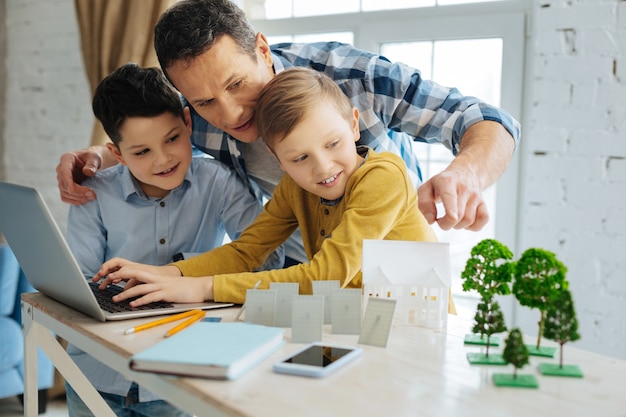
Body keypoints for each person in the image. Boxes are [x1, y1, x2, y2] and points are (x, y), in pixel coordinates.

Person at [56, 0, 520, 265]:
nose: (231, 113)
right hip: (298, 274)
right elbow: (155, 145)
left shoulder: (352, 78)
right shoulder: (193, 117)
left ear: (260, 47)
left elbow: (485, 120)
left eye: (237, 84)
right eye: (204, 102)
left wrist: (465, 175)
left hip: (393, 268)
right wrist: (96, 155)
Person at [92, 67, 439, 306]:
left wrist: (202, 287)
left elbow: (327, 275)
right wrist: (164, 274)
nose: (323, 167)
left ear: (353, 124)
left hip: (413, 337)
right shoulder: (296, 187)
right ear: (277, 158)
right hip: (350, 331)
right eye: (299, 158)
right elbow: (246, 251)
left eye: (332, 144)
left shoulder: (384, 176)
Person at [63, 63, 281, 417]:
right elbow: (83, 284)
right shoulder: (95, 193)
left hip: (181, 372)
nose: (163, 159)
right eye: (142, 152)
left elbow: (268, 257)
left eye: (172, 139)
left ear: (187, 123)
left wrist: (178, 275)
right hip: (94, 372)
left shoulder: (218, 181)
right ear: (116, 154)